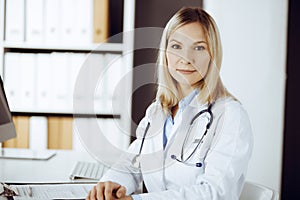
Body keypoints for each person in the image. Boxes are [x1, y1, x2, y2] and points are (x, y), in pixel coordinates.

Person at [86, 7, 253, 200]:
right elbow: (131, 166)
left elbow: (214, 193)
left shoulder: (230, 116)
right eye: (176, 46)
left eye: (199, 47)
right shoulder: (158, 111)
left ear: (213, 55)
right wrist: (110, 186)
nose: (186, 59)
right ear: (165, 53)